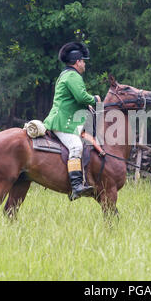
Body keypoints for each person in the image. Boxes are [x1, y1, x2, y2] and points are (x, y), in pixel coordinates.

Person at [43, 42, 101, 201]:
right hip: (63, 123)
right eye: (83, 61)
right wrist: (94, 99)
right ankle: (76, 186)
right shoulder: (73, 76)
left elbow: (76, 99)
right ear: (77, 62)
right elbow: (82, 97)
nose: (85, 64)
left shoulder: (65, 75)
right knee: (76, 146)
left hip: (64, 120)